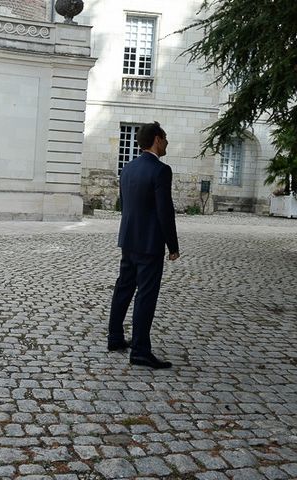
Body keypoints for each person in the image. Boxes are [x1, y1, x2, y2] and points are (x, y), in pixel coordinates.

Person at [107, 121, 180, 369]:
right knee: (146, 295)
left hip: (128, 239)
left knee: (123, 288)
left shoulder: (127, 169)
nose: (167, 142)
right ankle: (139, 350)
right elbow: (164, 211)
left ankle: (115, 338)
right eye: (166, 137)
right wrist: (173, 245)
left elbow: (125, 204)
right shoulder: (161, 170)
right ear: (157, 139)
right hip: (149, 243)